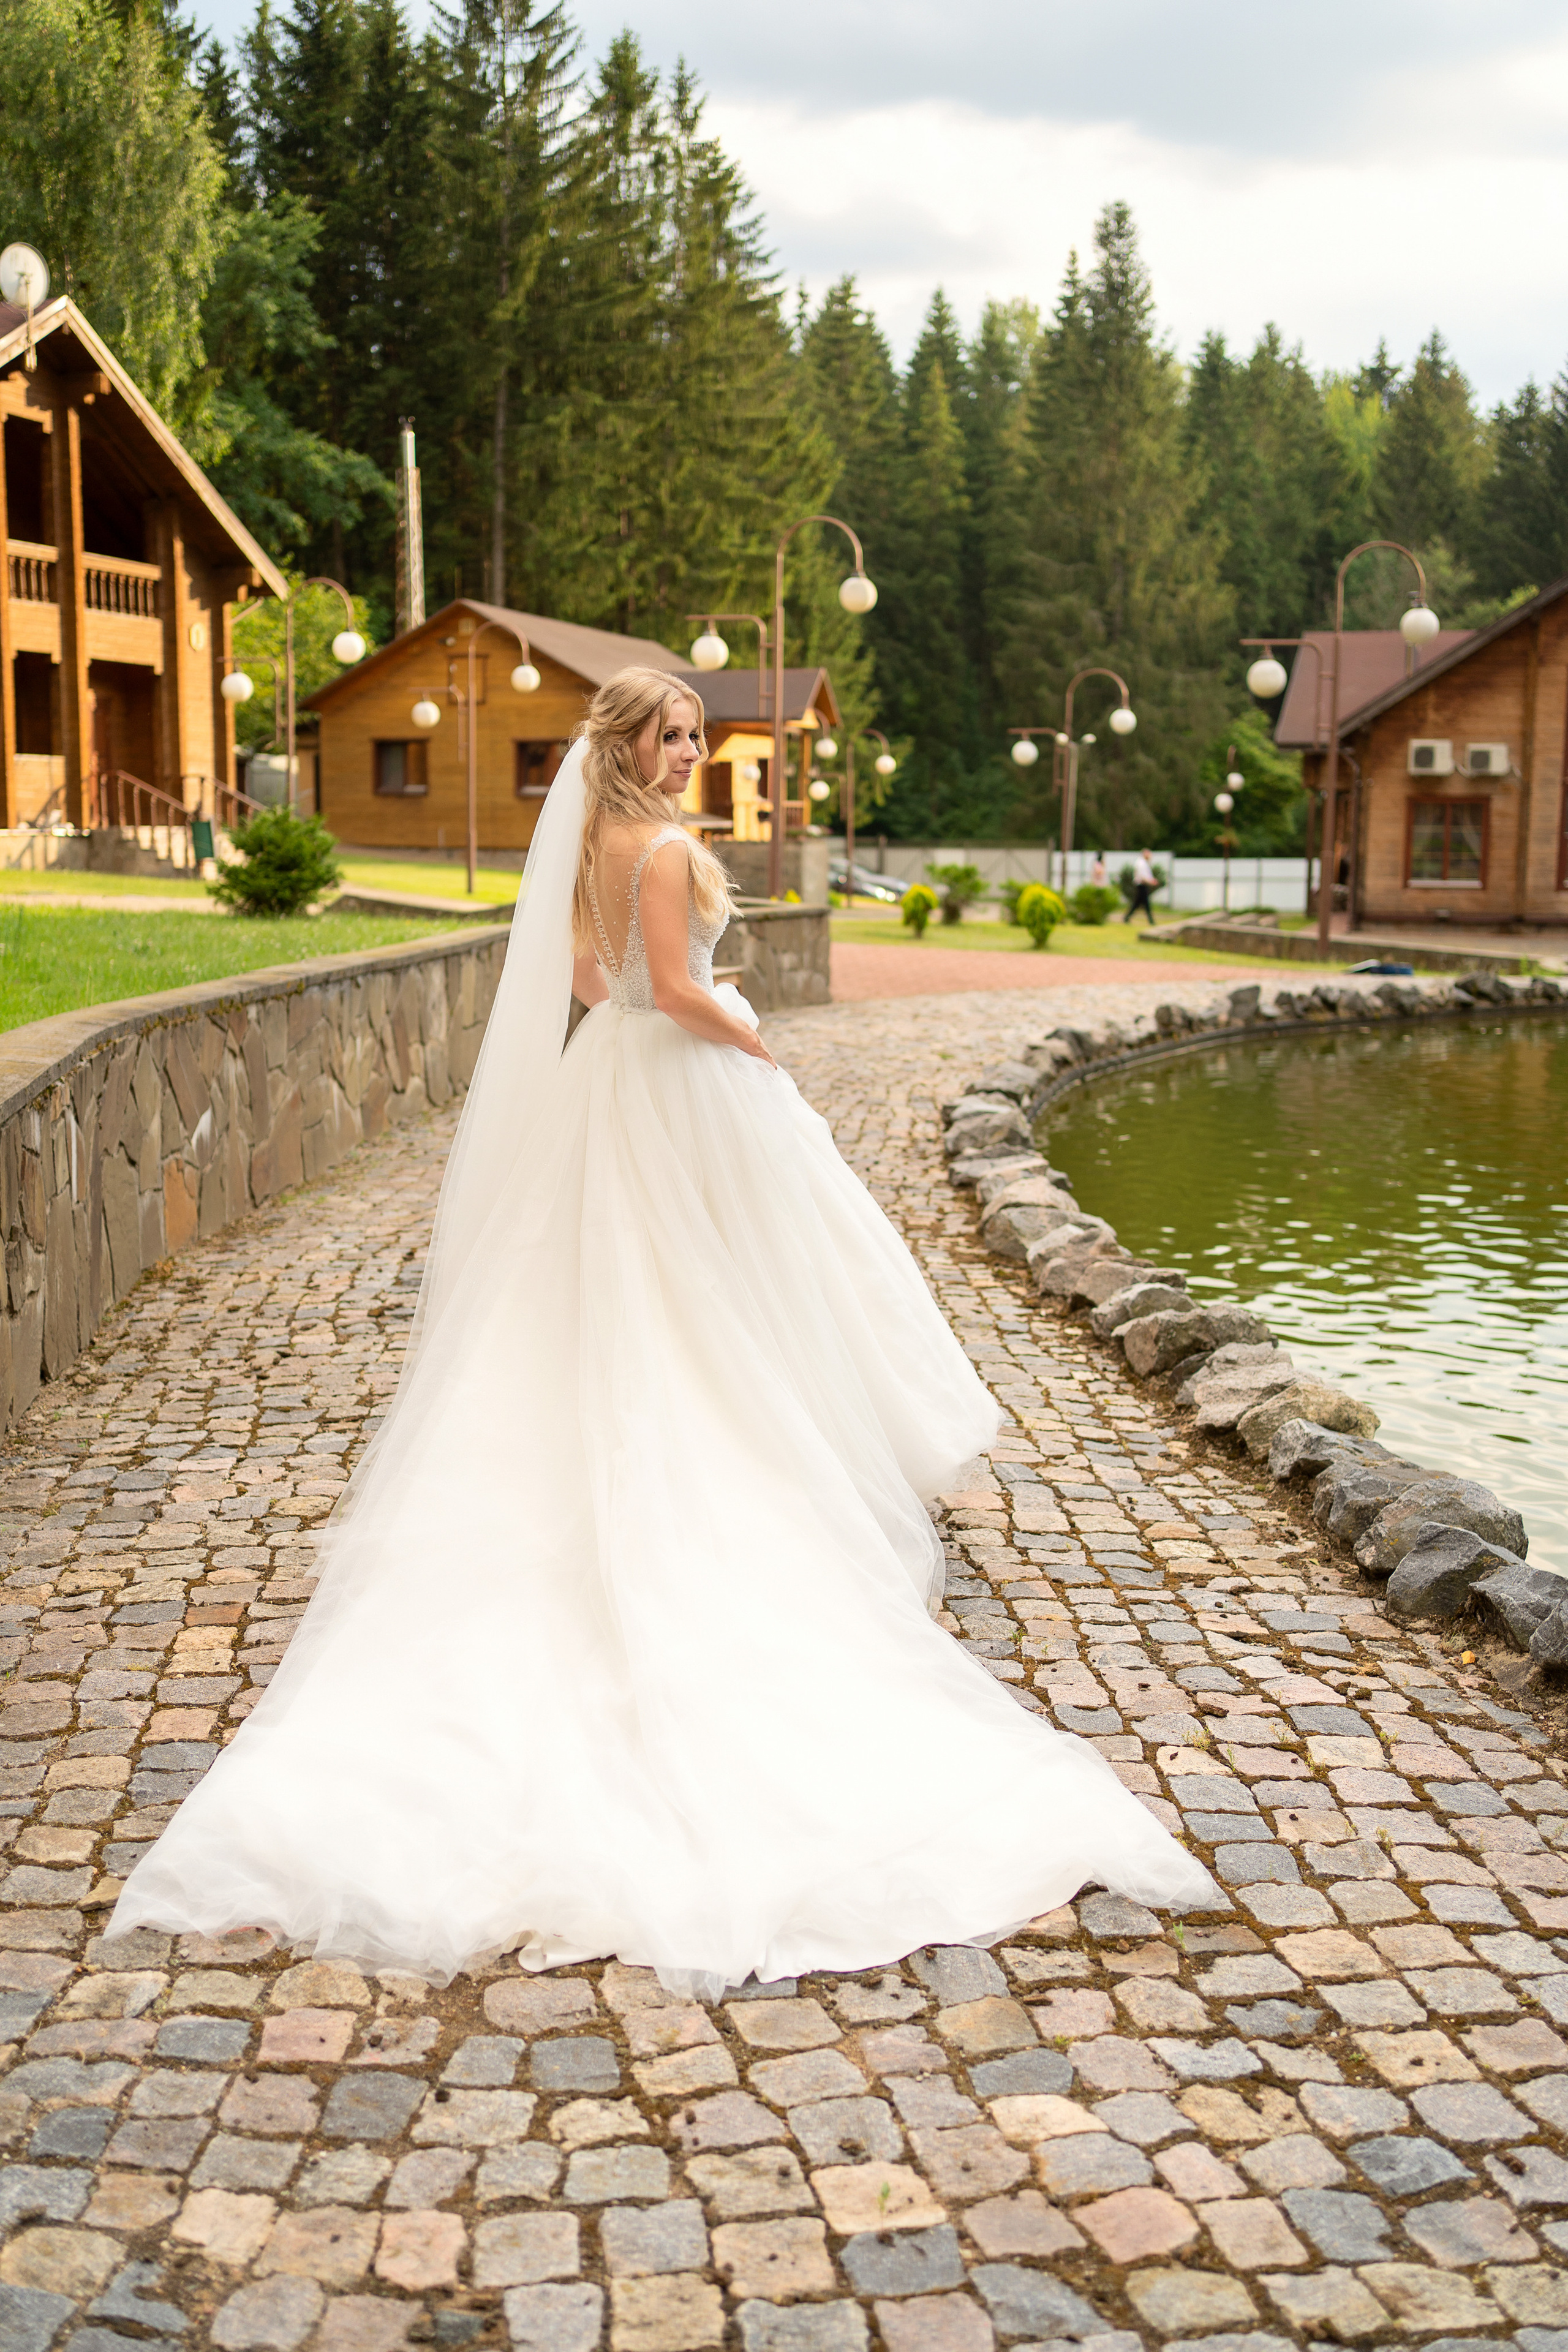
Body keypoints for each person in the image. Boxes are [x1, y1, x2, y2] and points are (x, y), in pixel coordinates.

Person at [108, 669, 1210, 1993]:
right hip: (675, 1075)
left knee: (599, 1283)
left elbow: (588, 976)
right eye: (666, 735)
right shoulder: (672, 847)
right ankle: (751, 1463)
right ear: (623, 743)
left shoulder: (584, 841)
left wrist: (664, 997)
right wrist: (743, 1032)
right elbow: (676, 989)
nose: (686, 754)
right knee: (728, 1283)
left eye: (693, 735)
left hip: (603, 1080)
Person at [1123, 848, 1158, 924]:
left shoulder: (1144, 863)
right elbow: (1142, 876)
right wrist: (1151, 881)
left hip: (1143, 885)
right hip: (1141, 885)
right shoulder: (1141, 864)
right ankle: (1151, 921)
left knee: (1138, 904)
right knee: (1144, 904)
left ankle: (1127, 918)